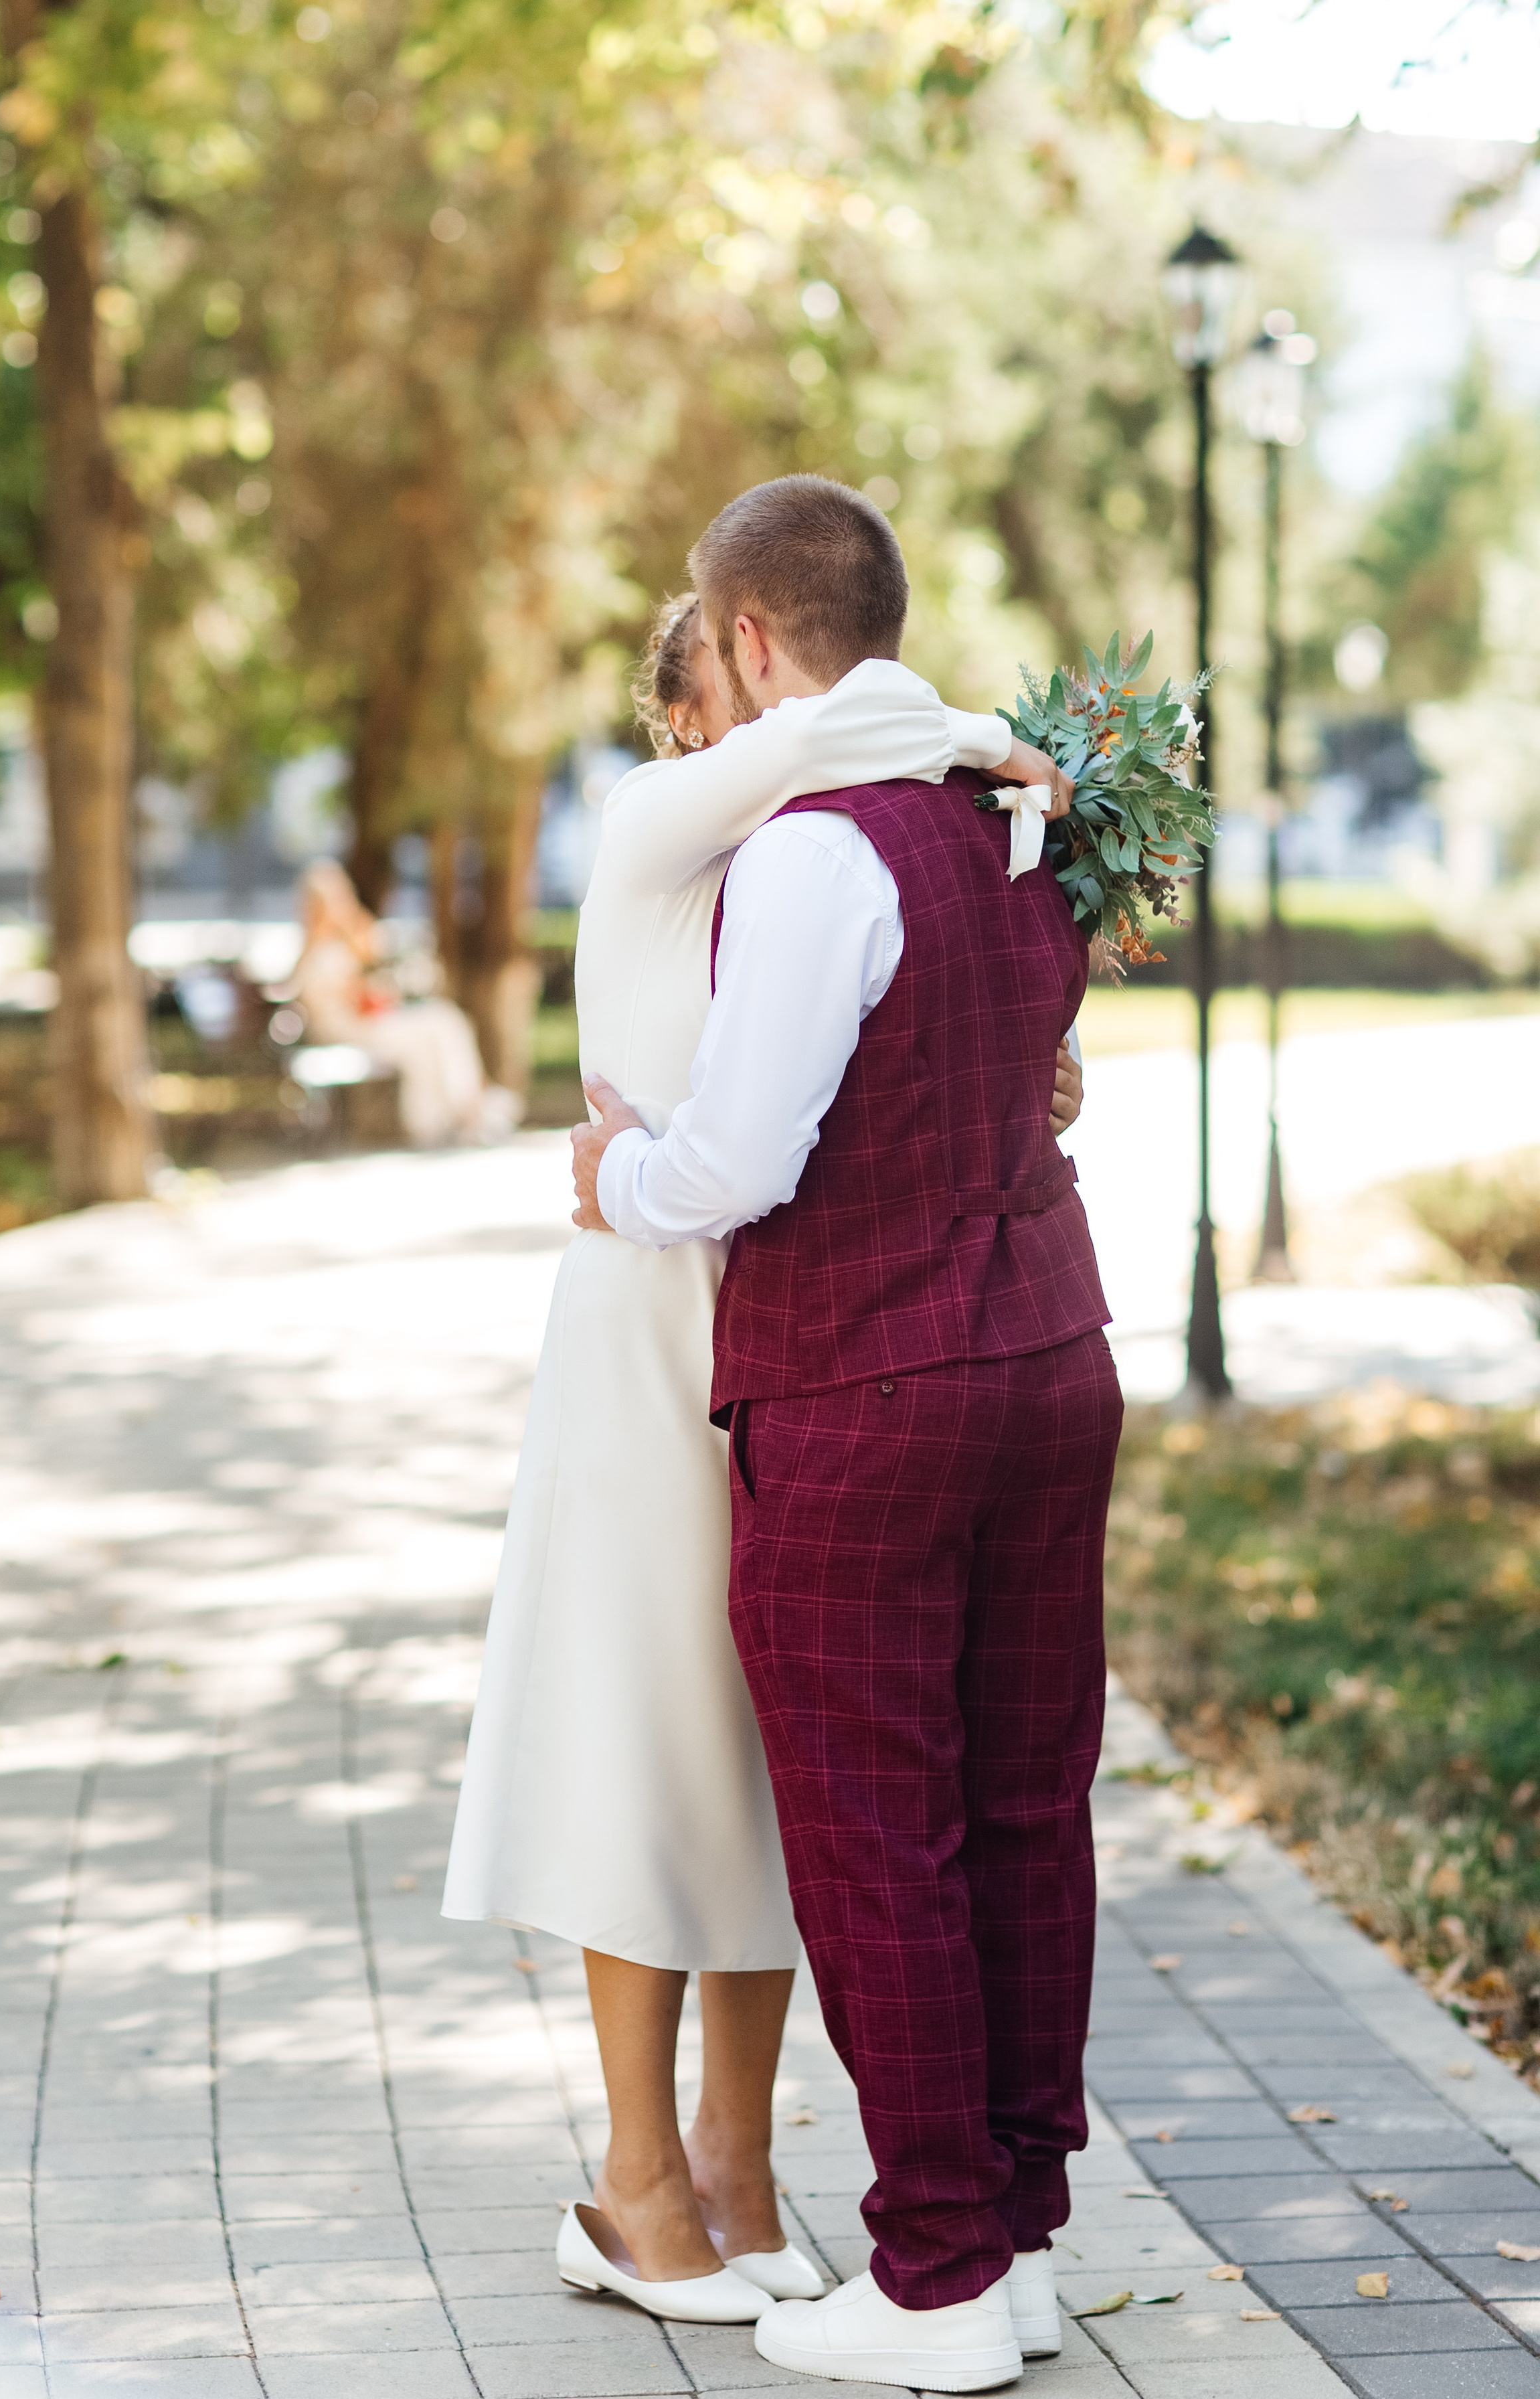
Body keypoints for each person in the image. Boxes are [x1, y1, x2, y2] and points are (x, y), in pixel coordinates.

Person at [444, 582, 1082, 2329]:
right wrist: (994, 745)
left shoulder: (828, 854)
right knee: (644, 1746)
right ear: (699, 704)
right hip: (654, 1334)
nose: (722, 753)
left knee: (775, 1772)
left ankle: (737, 2163)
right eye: (707, 728)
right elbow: (850, 718)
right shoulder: (660, 824)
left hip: (815, 1339)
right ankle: (635, 2181)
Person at [572, 475, 1120, 2392]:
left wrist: (617, 1171)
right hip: (1056, 1354)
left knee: (875, 1831)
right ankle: (1021, 2244)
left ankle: (940, 2279)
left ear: (738, 641)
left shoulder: (816, 851)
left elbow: (739, 1159)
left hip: (872, 1387)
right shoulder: (1020, 805)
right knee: (1021, 1809)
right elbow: (1023, 1069)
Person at [290, 859, 519, 1145]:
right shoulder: (319, 952)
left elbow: (375, 967)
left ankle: (456, 1113)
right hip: (348, 1030)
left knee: (442, 1021)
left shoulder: (347, 940)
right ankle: (457, 1114)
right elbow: (353, 1001)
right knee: (432, 1030)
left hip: (366, 1023)